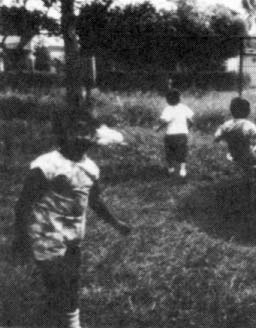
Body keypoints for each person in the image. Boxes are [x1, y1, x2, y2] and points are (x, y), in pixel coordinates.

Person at [11, 110, 131, 328]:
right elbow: (24, 203)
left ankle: (62, 317)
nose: (82, 136)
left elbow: (95, 201)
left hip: (73, 236)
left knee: (72, 281)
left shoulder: (91, 168)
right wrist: (20, 237)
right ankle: (67, 321)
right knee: (60, 282)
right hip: (45, 234)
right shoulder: (47, 165)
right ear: (61, 134)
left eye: (87, 131)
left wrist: (116, 223)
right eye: (76, 130)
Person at [157, 88, 194, 178]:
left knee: (169, 152)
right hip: (182, 134)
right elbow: (191, 121)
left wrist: (158, 128)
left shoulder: (168, 109)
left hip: (170, 135)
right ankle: (182, 169)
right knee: (182, 151)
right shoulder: (184, 108)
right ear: (179, 98)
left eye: (167, 99)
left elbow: (164, 121)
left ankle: (171, 168)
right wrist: (187, 128)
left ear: (169, 99)